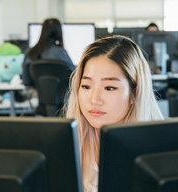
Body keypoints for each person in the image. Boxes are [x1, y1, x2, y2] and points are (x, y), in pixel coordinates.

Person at [62, 35, 164, 192]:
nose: (94, 99)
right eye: (86, 86)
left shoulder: (156, 153)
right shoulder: (69, 147)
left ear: (134, 94)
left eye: (109, 88)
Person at [22, 18, 75, 115]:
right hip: (63, 107)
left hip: (42, 106)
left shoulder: (30, 53)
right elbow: (74, 78)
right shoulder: (62, 53)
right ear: (59, 33)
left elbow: (26, 82)